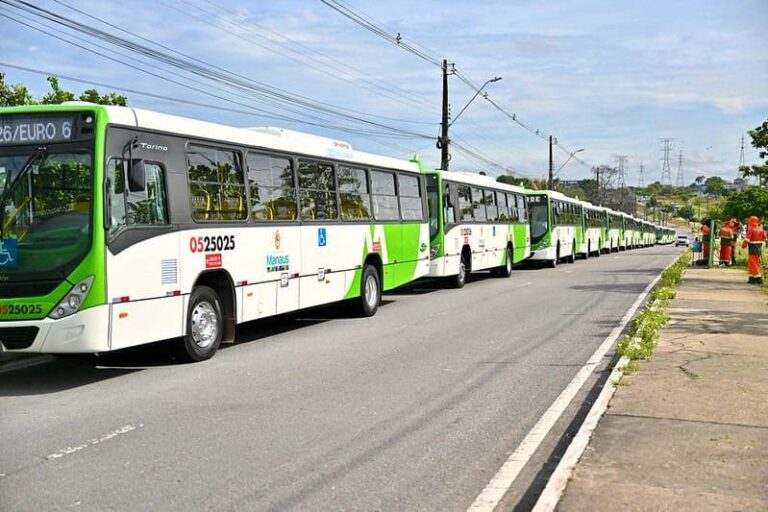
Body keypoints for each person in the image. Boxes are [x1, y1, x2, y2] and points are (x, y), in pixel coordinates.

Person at [742, 216, 766, 284]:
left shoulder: (751, 229)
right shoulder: (761, 229)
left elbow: (747, 239)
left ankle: (758, 278)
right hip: (758, 247)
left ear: (751, 221)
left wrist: (743, 245)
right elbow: (765, 238)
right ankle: (751, 277)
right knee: (754, 262)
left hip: (752, 247)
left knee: (753, 263)